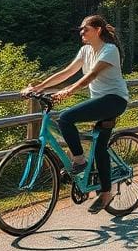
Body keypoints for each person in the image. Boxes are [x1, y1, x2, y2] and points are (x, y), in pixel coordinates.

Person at [22, 15, 129, 214]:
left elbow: (91, 76)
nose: (81, 32)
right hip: (99, 102)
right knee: (99, 148)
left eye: (85, 29)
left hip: (114, 100)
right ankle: (102, 188)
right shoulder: (85, 51)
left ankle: (80, 162)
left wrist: (67, 92)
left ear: (98, 30)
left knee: (66, 118)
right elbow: (67, 72)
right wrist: (39, 87)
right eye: (80, 29)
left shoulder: (109, 50)